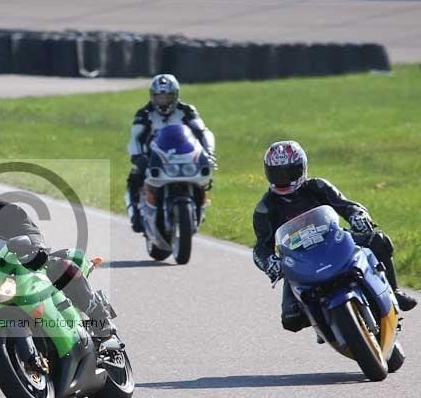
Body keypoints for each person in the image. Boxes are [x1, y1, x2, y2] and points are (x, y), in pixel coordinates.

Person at [0, 168, 116, 369]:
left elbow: (30, 232)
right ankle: (7, 353)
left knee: (64, 267)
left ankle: (99, 317)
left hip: (20, 270)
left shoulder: (5, 210)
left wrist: (34, 248)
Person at [252, 140, 416, 333]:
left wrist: (359, 216)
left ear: (302, 168)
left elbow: (346, 205)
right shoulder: (265, 207)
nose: (282, 179)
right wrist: (270, 262)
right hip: (298, 260)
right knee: (291, 320)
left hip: (334, 243)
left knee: (378, 240)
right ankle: (329, 325)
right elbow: (261, 247)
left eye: (288, 172)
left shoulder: (318, 187)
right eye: (276, 173)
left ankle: (394, 292)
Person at [125, 74, 216, 232]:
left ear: (175, 96)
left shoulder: (187, 110)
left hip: (184, 156)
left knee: (204, 177)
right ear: (153, 96)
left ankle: (199, 206)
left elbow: (202, 132)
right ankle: (135, 212)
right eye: (159, 97)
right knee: (134, 178)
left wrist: (208, 152)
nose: (163, 101)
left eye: (167, 96)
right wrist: (138, 157)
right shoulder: (144, 113)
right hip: (153, 157)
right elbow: (136, 137)